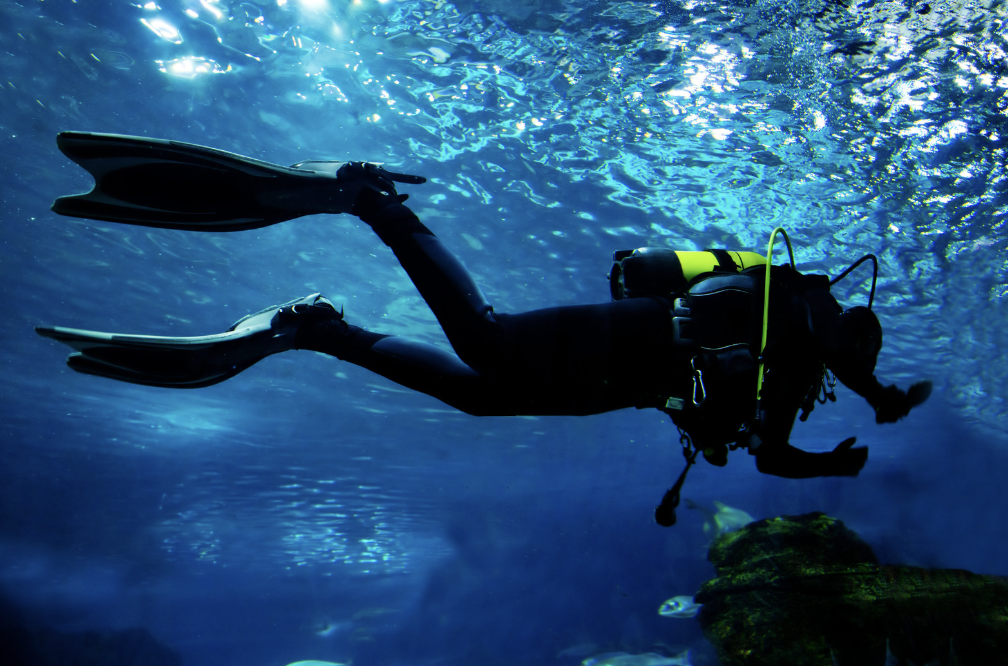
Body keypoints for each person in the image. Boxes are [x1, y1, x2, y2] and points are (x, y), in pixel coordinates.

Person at [36, 132, 931, 524]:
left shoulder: (789, 389)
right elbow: (832, 336)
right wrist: (882, 394)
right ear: (850, 330)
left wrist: (832, 463)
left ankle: (320, 330)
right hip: (636, 335)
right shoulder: (800, 303)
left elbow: (773, 458)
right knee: (488, 341)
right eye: (860, 347)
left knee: (478, 398)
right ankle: (371, 204)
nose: (854, 360)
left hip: (624, 388)